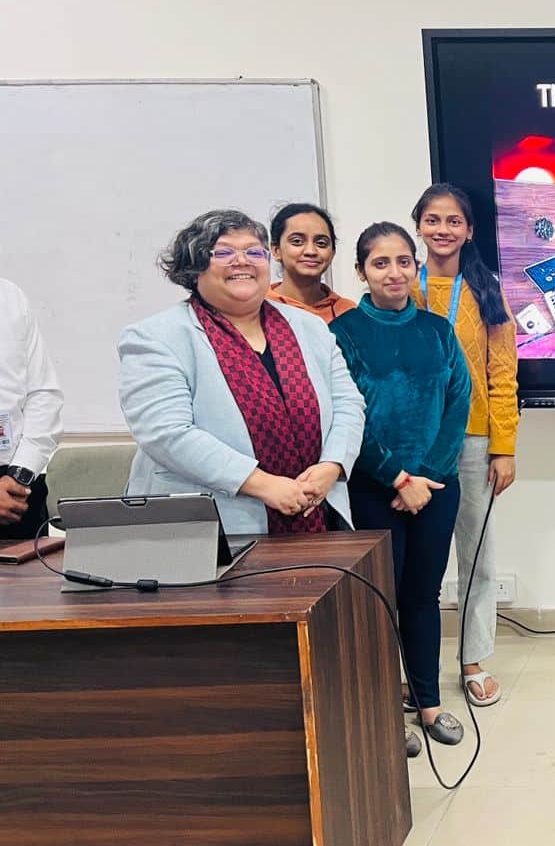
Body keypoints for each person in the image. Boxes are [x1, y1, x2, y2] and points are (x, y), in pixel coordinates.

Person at [119, 210, 364, 536]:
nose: (242, 261)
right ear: (194, 267)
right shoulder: (156, 337)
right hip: (209, 531)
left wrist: (331, 466)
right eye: (223, 252)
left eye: (253, 251)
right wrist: (263, 485)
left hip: (317, 513)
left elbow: (349, 404)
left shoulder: (309, 327)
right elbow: (168, 433)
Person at [332, 222, 473, 753]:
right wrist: (395, 475)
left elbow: (459, 401)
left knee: (423, 595)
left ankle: (428, 700)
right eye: (380, 263)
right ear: (362, 271)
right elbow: (345, 417)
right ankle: (384, 711)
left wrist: (426, 476)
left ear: (416, 267)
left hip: (436, 487)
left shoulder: (438, 330)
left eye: (403, 262)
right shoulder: (344, 333)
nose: (394, 272)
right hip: (373, 489)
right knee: (378, 601)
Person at [412, 184, 519, 708]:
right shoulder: (402, 286)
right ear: (418, 226)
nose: (443, 230)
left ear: (469, 230)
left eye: (453, 221)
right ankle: (415, 665)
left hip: (473, 438)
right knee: (415, 558)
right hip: (414, 441)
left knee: (477, 551)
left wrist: (505, 445)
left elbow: (503, 374)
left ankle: (473, 659)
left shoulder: (486, 290)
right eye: (433, 220)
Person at [0, 277, 64, 540]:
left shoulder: (9, 296)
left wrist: (19, 477)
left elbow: (43, 394)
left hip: (16, 488)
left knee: (29, 580)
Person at [267, 203, 357, 322]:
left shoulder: (348, 313)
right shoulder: (259, 307)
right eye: (297, 241)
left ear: (333, 253)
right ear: (276, 250)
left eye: (321, 243)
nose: (311, 251)